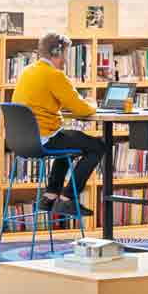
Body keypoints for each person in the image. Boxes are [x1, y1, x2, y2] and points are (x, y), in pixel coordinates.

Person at [11, 32, 102, 206]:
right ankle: (68, 198)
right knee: (97, 146)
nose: (66, 60)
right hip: (44, 139)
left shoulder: (28, 71)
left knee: (67, 140)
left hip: (22, 141)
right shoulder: (54, 75)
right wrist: (93, 103)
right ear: (57, 52)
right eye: (66, 54)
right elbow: (81, 109)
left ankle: (51, 196)